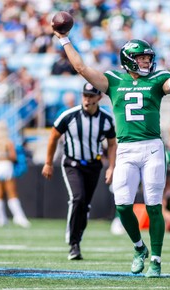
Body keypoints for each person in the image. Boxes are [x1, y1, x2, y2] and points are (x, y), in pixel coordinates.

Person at [52, 24, 170, 277]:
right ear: (129, 59)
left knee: (154, 205)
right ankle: (139, 248)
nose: (145, 62)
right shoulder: (114, 80)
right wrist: (64, 39)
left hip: (152, 148)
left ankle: (157, 259)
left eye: (147, 58)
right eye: (141, 58)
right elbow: (81, 68)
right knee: (122, 205)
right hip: (126, 149)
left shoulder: (157, 79)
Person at [42, 82, 117, 260]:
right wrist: (48, 163)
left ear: (99, 98)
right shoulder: (69, 116)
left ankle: (77, 239)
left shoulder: (106, 119)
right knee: (78, 198)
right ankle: (73, 243)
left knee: (85, 205)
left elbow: (112, 143)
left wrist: (112, 167)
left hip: (93, 165)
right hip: (72, 163)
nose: (87, 99)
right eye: (85, 95)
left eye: (91, 96)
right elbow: (53, 136)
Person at [0, 120, 30, 228]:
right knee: (12, 193)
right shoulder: (8, 142)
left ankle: (1, 219)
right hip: (6, 166)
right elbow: (13, 156)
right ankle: (19, 217)